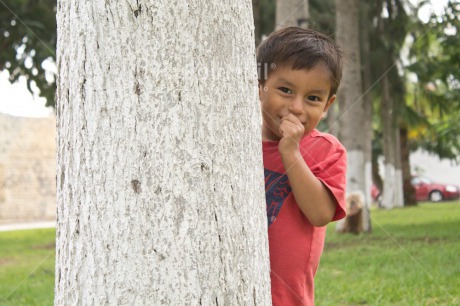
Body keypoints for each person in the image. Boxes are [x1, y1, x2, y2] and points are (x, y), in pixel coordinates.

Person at [257, 27, 347, 305]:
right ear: (259, 86)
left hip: (286, 298)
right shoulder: (238, 145)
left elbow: (320, 214)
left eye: (313, 98)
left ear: (327, 105)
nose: (297, 107)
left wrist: (291, 153)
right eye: (285, 90)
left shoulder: (327, 150)